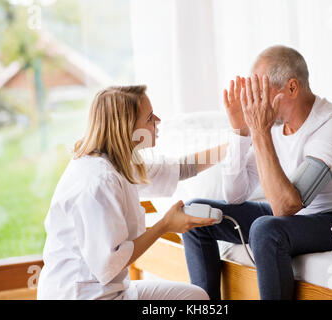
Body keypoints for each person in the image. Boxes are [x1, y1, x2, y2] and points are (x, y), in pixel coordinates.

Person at [182, 45, 332, 300]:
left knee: (266, 229)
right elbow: (235, 196)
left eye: (260, 91)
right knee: (195, 214)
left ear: (292, 88)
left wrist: (260, 132)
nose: (253, 101)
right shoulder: (273, 125)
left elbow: (285, 207)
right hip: (296, 217)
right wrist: (240, 132)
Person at [37, 85, 227, 300]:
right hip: (84, 296)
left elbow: (182, 168)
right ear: (126, 128)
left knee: (195, 297)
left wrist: (236, 146)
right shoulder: (98, 181)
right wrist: (165, 225)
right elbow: (109, 263)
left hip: (107, 289)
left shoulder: (117, 163)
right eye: (149, 118)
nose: (158, 120)